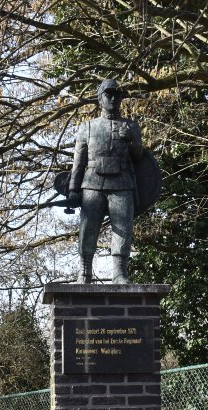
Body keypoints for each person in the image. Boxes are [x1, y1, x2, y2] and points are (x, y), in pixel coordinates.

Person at [67, 79, 143, 284]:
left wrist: (132, 141)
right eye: (108, 94)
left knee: (123, 227)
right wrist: (73, 189)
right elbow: (78, 162)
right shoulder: (87, 127)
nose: (112, 98)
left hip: (122, 182)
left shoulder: (131, 126)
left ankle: (119, 272)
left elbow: (140, 157)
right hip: (92, 183)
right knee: (88, 227)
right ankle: (84, 271)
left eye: (116, 95)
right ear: (99, 98)